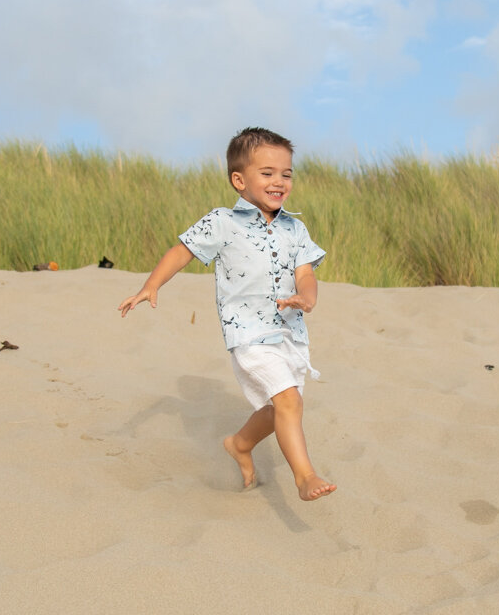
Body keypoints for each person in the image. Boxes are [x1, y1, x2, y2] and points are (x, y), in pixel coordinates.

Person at [118, 127, 337, 501]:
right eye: (267, 173)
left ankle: (239, 444)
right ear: (239, 180)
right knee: (289, 402)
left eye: (286, 174)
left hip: (290, 335)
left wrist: (307, 296)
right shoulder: (222, 222)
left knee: (279, 409)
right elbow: (182, 251)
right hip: (248, 334)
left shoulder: (295, 228)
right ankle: (305, 477)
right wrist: (151, 285)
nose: (279, 181)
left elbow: (306, 273)